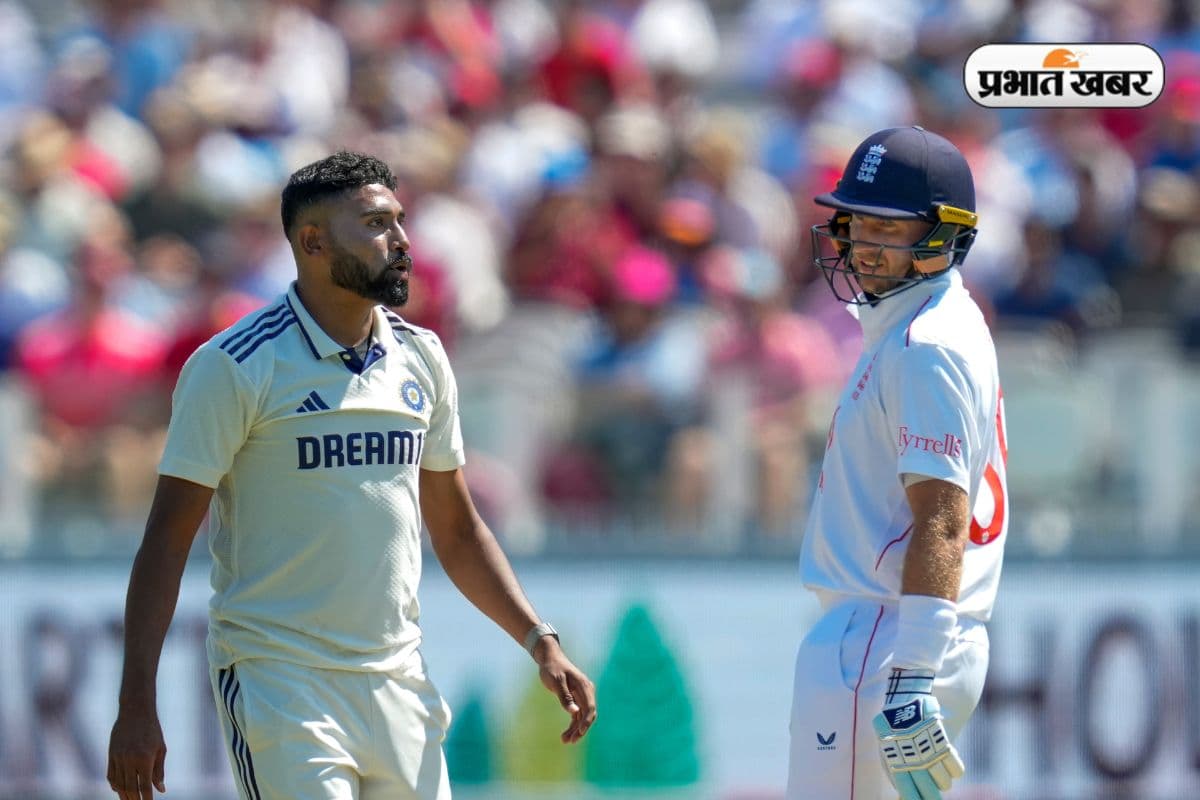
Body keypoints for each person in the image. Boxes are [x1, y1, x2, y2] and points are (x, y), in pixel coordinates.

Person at [107, 152, 597, 800]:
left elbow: (456, 530)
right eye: (374, 223)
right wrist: (136, 701)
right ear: (312, 242)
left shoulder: (422, 357)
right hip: (281, 680)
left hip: (399, 679)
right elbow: (167, 541)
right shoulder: (234, 366)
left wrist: (540, 640)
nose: (400, 241)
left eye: (399, 220)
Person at [787, 127, 1008, 800]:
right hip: (894, 632)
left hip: (884, 637)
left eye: (890, 230)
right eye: (859, 224)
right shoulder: (933, 320)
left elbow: (941, 519)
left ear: (943, 236)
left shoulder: (925, 345)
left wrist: (911, 676)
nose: (864, 246)